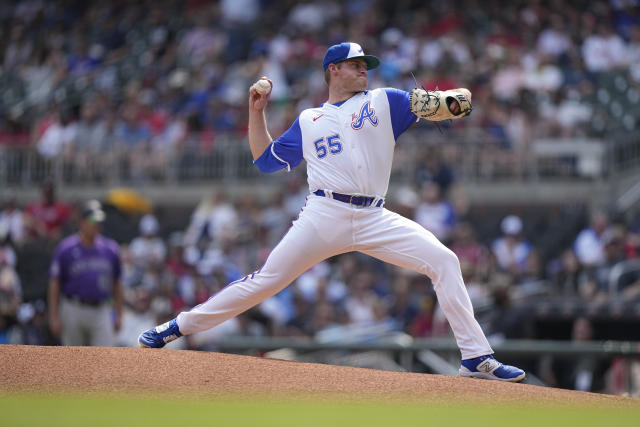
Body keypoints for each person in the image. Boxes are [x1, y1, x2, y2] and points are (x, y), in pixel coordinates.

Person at [139, 42, 525, 382]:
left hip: (375, 216)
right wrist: (256, 113)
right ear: (332, 70)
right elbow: (265, 160)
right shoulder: (310, 120)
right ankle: (176, 327)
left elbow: (448, 104)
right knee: (265, 280)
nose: (363, 69)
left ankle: (476, 357)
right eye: (355, 63)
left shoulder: (384, 100)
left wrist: (453, 101)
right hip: (324, 213)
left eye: (365, 64)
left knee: (444, 260)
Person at [48, 200, 123, 346]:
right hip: (73, 307)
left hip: (102, 309)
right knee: (72, 360)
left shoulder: (111, 249)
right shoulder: (66, 249)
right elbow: (55, 283)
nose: (97, 225)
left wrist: (119, 314)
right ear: (82, 222)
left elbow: (117, 283)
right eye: (93, 221)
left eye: (99, 221)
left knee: (105, 358)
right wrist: (54, 316)